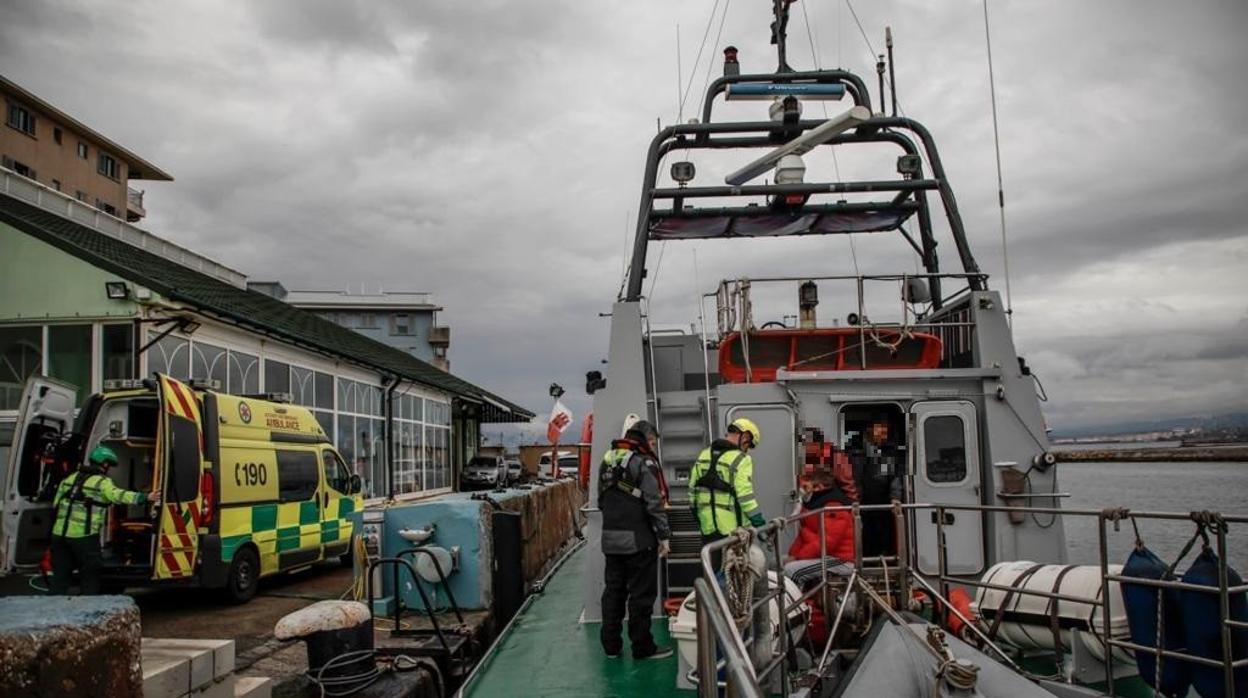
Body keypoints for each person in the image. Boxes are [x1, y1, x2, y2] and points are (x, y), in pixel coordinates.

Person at [598, 419, 672, 660]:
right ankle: (642, 647)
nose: (652, 447)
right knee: (641, 596)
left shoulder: (608, 458)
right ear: (643, 438)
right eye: (651, 442)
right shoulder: (643, 462)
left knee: (614, 593)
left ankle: (611, 646)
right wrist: (664, 536)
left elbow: (601, 500)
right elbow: (654, 502)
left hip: (610, 539)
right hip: (639, 542)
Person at [49, 445, 154, 595]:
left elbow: (56, 504)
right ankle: (88, 610)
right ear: (104, 464)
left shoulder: (69, 478)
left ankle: (51, 610)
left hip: (58, 535)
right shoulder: (101, 482)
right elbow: (118, 495)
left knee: (60, 576)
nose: (108, 468)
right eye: (109, 465)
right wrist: (144, 497)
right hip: (83, 537)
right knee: (90, 574)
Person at [690, 418, 764, 571]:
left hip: (707, 527)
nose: (747, 449)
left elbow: (692, 492)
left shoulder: (703, 455)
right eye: (748, 444)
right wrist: (760, 523)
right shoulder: (742, 459)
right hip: (732, 530)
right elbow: (745, 496)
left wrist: (700, 518)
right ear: (744, 437)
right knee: (733, 572)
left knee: (712, 571)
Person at [850, 417, 904, 558]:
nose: (884, 434)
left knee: (884, 535)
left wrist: (895, 497)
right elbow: (853, 477)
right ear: (869, 429)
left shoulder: (889, 453)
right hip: (862, 501)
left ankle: (885, 560)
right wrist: (853, 498)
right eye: (881, 429)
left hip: (883, 502)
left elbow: (895, 477)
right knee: (865, 535)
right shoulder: (855, 451)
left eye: (886, 430)